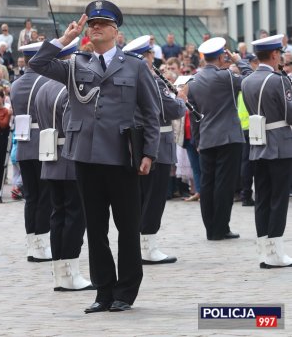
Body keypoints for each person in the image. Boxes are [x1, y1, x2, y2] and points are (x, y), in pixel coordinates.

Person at [29, 0, 160, 313]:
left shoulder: (135, 66)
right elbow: (38, 65)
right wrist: (63, 41)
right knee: (95, 228)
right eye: (92, 24)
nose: (95, 28)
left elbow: (151, 113)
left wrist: (149, 153)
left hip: (122, 155)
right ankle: (104, 290)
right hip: (86, 157)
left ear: (116, 31)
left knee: (127, 227)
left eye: (102, 24)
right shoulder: (76, 62)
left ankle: (125, 291)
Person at [35, 38, 93, 292]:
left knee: (58, 215)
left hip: (51, 157)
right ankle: (70, 271)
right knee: (75, 217)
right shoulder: (68, 88)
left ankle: (61, 272)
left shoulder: (44, 88)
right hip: (70, 157)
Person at [123, 35, 186, 264]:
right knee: (154, 197)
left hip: (138, 142)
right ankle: (148, 247)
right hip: (156, 142)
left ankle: (140, 245)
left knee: (140, 197)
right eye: (151, 54)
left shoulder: (128, 78)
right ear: (146, 56)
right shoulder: (152, 80)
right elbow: (171, 110)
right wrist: (180, 98)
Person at [184, 37, 252, 241]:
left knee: (207, 184)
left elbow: (194, 116)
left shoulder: (193, 82)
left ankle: (211, 229)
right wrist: (240, 61)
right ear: (222, 55)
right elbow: (250, 81)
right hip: (228, 138)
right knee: (224, 184)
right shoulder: (226, 77)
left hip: (205, 138)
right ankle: (221, 228)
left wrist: (197, 140)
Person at [242, 35, 292, 268]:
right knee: (278, 199)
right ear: (274, 55)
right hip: (280, 145)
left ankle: (263, 249)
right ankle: (276, 253)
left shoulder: (247, 80)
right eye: (279, 54)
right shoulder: (278, 80)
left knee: (261, 197)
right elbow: (288, 113)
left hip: (257, 145)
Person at [10, 43, 52, 262]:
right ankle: (42, 244)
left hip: (23, 144)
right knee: (45, 196)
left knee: (31, 196)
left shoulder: (15, 84)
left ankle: (31, 243)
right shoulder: (45, 80)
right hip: (42, 143)